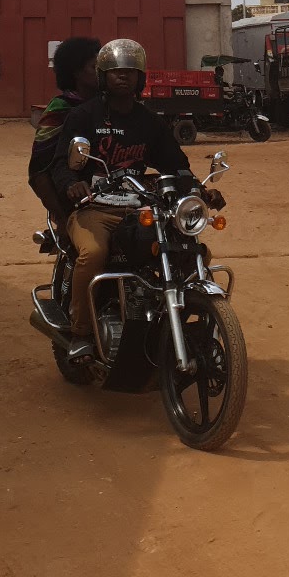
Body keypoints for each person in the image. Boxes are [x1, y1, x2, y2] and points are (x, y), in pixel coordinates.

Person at [49, 37, 226, 365]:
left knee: (188, 251)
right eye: (115, 71)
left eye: (130, 71)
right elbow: (61, 163)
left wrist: (198, 190)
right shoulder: (84, 117)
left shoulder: (149, 122)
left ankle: (186, 322)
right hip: (94, 208)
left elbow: (176, 164)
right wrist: (71, 184)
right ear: (102, 77)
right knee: (94, 253)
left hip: (140, 207)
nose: (123, 77)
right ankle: (81, 333)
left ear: (140, 77)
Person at [27, 36, 101, 225]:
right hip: (73, 198)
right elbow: (39, 170)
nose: (102, 72)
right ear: (76, 72)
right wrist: (61, 217)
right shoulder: (61, 109)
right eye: (94, 67)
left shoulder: (110, 106)